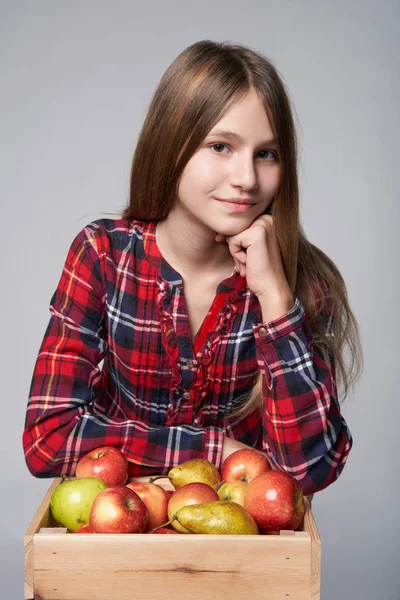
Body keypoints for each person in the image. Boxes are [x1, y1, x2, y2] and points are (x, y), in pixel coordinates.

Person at [22, 40, 363, 497]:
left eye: (267, 154)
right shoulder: (104, 256)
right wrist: (212, 450)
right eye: (221, 146)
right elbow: (47, 437)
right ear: (171, 145)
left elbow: (308, 473)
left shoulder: (304, 280)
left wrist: (277, 302)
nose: (246, 179)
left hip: (241, 552)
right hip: (116, 540)